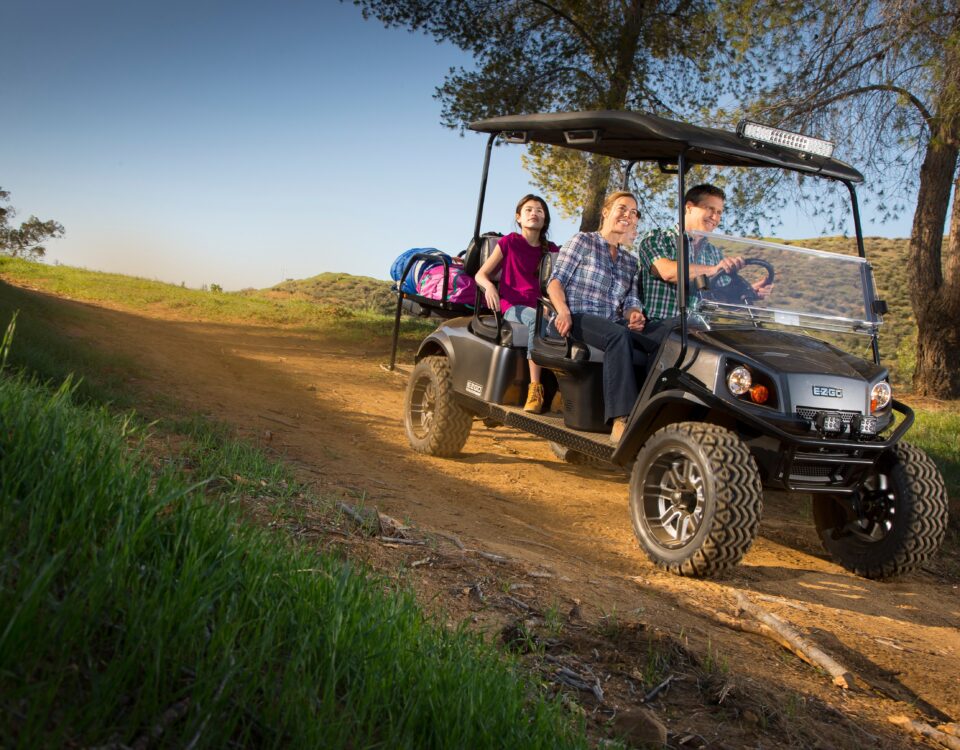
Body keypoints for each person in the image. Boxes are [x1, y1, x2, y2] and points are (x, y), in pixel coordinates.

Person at [546, 191, 662, 444]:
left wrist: (635, 315)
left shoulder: (630, 262)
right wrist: (562, 310)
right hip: (575, 317)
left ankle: (654, 413)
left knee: (661, 338)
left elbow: (631, 302)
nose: (628, 216)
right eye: (622, 208)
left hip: (610, 323)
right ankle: (622, 418)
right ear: (606, 212)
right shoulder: (582, 242)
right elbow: (555, 282)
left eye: (633, 213)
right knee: (618, 336)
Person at [637, 183, 772, 323]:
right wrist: (714, 269)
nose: (715, 217)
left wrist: (748, 292)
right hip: (662, 329)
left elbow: (719, 299)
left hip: (700, 331)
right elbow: (667, 272)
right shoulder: (656, 239)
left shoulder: (714, 253)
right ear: (689, 207)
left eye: (719, 212)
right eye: (710, 209)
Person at [474, 194, 559, 413]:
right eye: (529, 210)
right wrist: (490, 287)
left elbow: (557, 283)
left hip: (542, 306)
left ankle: (561, 391)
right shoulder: (509, 242)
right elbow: (481, 275)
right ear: (519, 217)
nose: (534, 213)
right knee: (535, 318)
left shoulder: (551, 250)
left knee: (565, 323)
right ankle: (535, 389)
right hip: (513, 306)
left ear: (545, 219)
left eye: (539, 211)